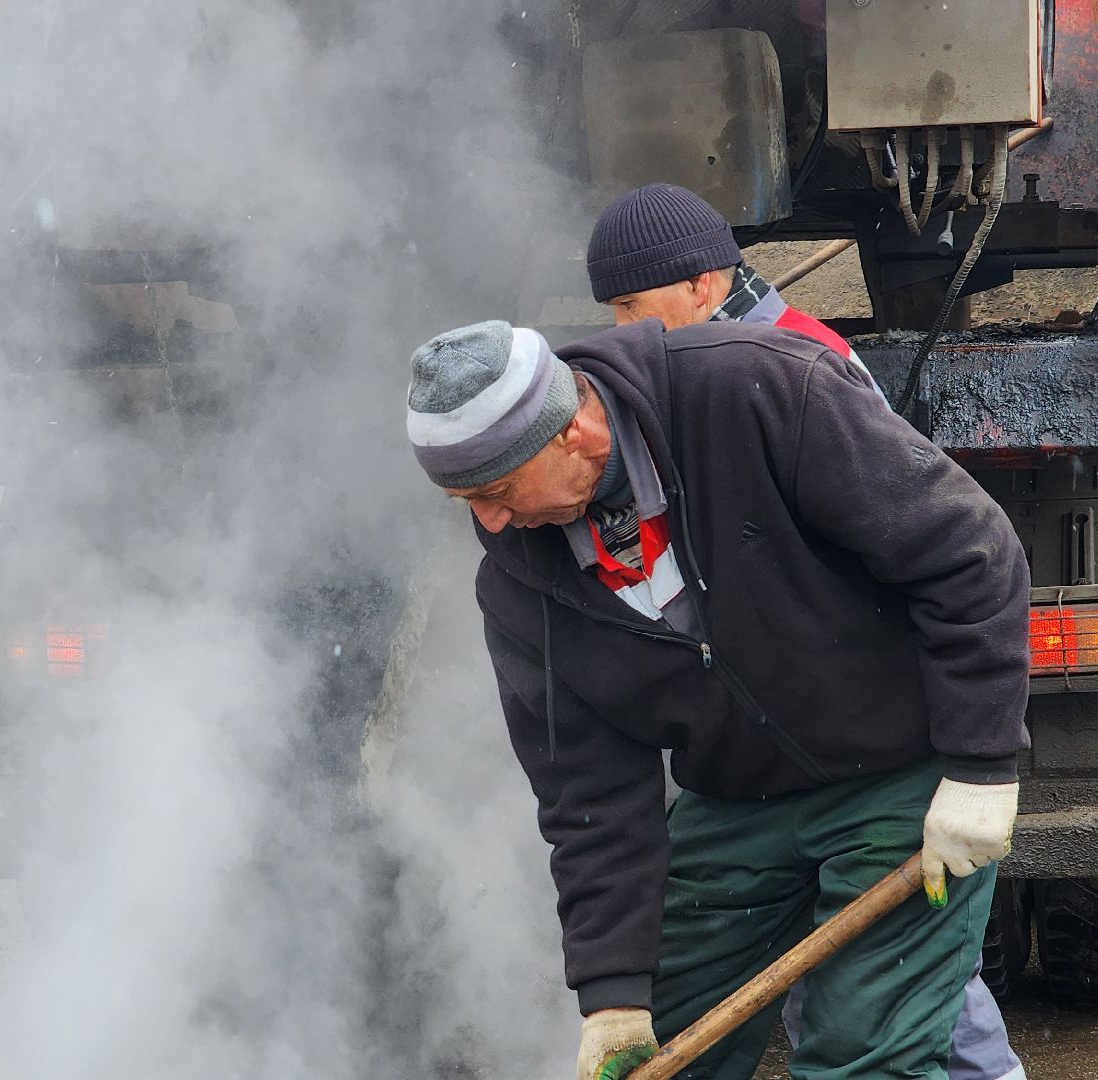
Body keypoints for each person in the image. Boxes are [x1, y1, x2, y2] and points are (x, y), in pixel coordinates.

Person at [403, 311, 1030, 1078]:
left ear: (572, 433)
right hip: (738, 804)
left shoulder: (756, 390)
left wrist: (981, 765)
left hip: (901, 778)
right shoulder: (516, 582)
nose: (490, 521)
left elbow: (970, 554)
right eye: (465, 500)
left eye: (496, 490)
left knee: (864, 1058)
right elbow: (588, 799)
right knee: (656, 1055)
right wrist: (613, 998)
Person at [585, 183, 1027, 1080]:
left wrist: (967, 761)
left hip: (878, 738)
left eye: (634, 306)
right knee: (884, 983)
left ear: (704, 288)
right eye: (612, 312)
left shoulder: (788, 366)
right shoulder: (691, 380)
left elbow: (938, 548)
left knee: (905, 997)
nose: (622, 332)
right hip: (793, 743)